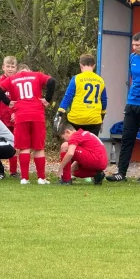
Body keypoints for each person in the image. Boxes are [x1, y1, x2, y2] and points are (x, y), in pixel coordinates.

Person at [106, 32, 140, 183]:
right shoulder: (132, 58)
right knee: (127, 138)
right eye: (133, 45)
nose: (134, 48)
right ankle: (121, 173)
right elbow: (133, 79)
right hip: (131, 103)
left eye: (138, 45)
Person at [0, 64, 56, 185]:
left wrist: (8, 102)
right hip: (37, 113)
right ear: (29, 71)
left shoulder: (13, 78)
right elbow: (51, 81)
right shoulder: (36, 75)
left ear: (18, 71)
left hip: (21, 114)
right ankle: (41, 178)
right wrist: (47, 99)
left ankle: (24, 178)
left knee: (24, 147)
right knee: (39, 147)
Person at [54, 53, 107, 184]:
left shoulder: (77, 78)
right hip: (94, 119)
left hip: (77, 117)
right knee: (90, 149)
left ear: (81, 65)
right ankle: (95, 174)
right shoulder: (100, 80)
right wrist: (102, 116)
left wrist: (60, 111)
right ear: (93, 66)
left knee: (70, 146)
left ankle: (67, 176)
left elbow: (68, 96)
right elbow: (104, 101)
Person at [0, 56, 19, 177]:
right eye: (8, 66)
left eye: (13, 67)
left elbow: (21, 99)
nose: (10, 69)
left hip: (15, 118)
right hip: (1, 118)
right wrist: (4, 89)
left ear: (16, 68)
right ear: (3, 67)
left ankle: (13, 171)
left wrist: (17, 113)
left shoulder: (18, 81)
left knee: (15, 143)